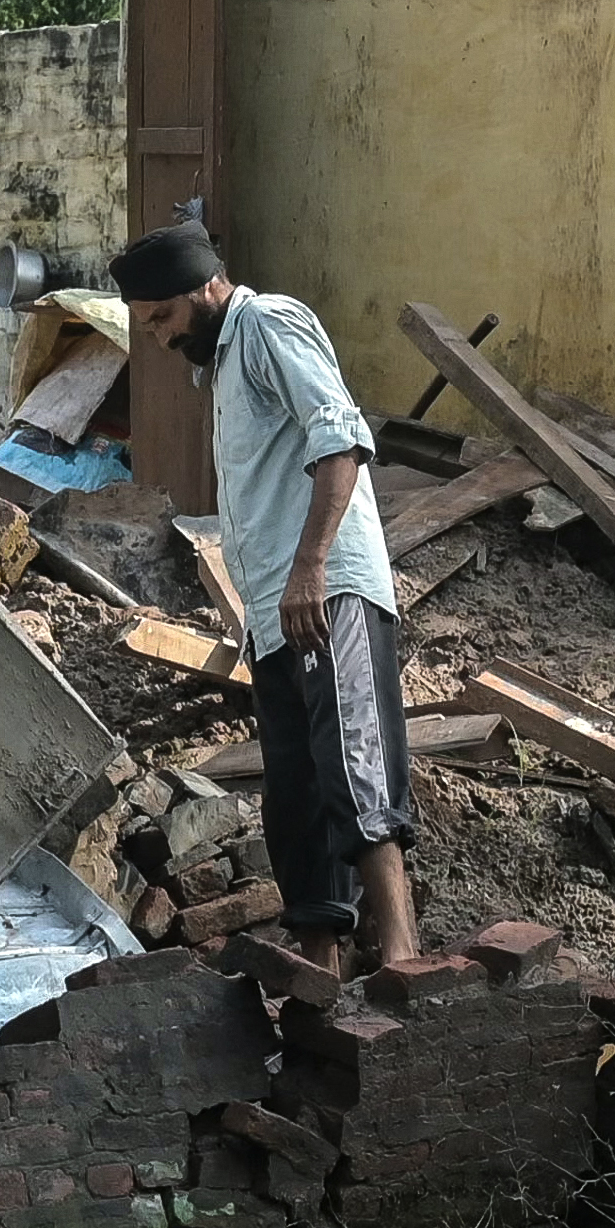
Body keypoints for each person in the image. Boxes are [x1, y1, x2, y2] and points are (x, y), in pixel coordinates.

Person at [113, 223, 418, 970]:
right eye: (147, 324)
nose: (159, 336)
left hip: (327, 591)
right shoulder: (222, 366)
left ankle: (403, 955)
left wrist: (311, 568)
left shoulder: (267, 324)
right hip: (276, 614)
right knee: (296, 790)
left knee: (352, 764)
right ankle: (320, 970)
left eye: (162, 316)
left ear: (203, 286)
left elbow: (340, 439)